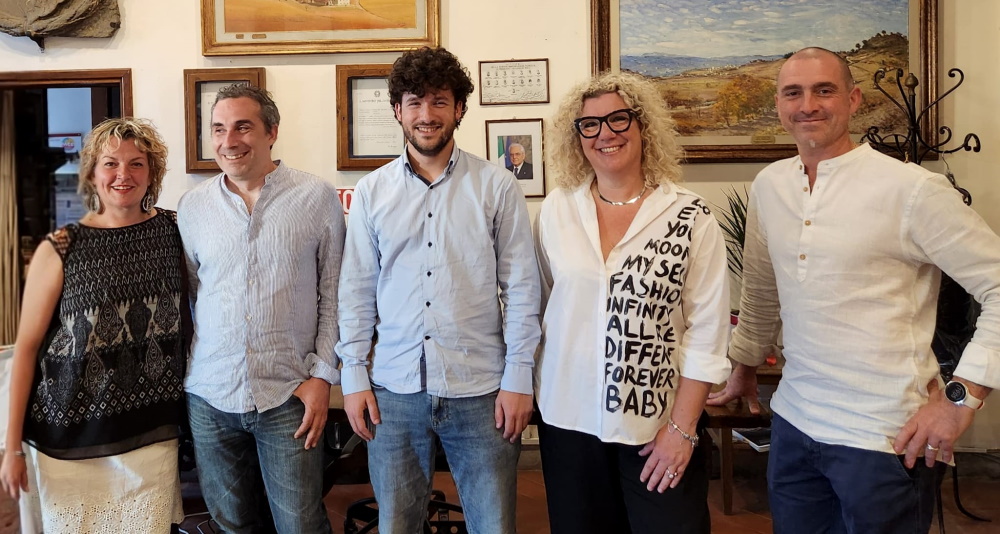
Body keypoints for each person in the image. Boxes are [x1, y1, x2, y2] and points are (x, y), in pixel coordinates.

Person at [707, 47, 1000, 533]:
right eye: (793, 93)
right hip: (794, 426)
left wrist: (960, 399)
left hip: (884, 437)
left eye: (824, 90)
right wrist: (744, 365)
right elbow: (762, 287)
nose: (808, 105)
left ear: (853, 99)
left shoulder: (912, 190)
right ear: (778, 105)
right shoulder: (770, 185)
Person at [337, 46, 541, 534]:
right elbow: (357, 289)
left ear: (459, 109)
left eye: (439, 101)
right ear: (397, 110)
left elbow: (521, 287)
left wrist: (519, 377)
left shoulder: (497, 186)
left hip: (481, 387)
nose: (426, 115)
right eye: (414, 102)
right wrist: (353, 375)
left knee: (493, 524)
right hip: (393, 389)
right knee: (397, 525)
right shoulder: (372, 192)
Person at [534, 71, 731, 534]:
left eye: (619, 119)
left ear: (643, 126)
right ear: (577, 137)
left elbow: (707, 332)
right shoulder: (556, 210)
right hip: (568, 421)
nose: (605, 133)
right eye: (590, 124)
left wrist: (682, 430)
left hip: (656, 424)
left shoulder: (690, 215)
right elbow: (541, 308)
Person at [0, 118, 186, 532]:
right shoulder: (61, 246)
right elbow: (26, 348)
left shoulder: (175, 231)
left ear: (152, 172)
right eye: (110, 164)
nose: (123, 175)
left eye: (137, 163)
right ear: (91, 173)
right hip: (68, 436)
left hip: (151, 432)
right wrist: (12, 449)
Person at [178, 84, 343, 533]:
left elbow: (334, 296)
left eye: (242, 127)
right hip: (211, 396)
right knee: (231, 525)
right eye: (218, 129)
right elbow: (194, 297)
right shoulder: (193, 207)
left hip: (289, 394)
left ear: (271, 132)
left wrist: (322, 377)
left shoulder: (316, 197)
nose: (229, 140)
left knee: (300, 525)